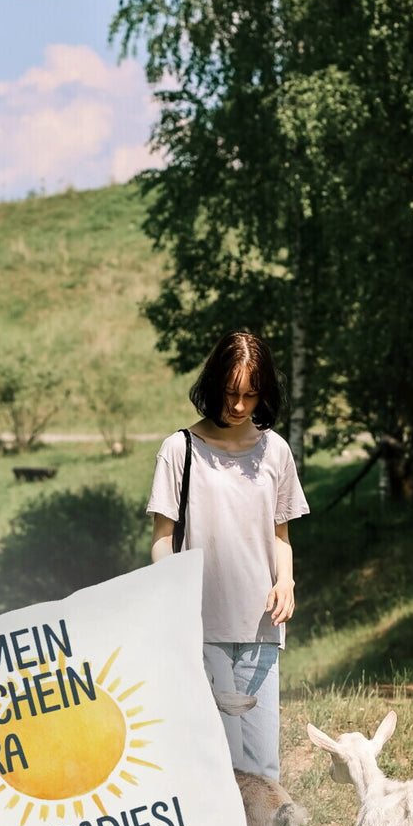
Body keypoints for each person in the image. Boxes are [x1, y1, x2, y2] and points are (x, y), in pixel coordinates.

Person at [147, 331, 308, 781]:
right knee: (221, 766)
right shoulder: (179, 450)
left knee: (263, 770)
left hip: (261, 629)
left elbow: (281, 535)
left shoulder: (275, 450)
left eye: (250, 396)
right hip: (202, 631)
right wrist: (178, 590)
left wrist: (286, 583)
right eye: (231, 393)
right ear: (214, 384)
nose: (238, 406)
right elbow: (162, 540)